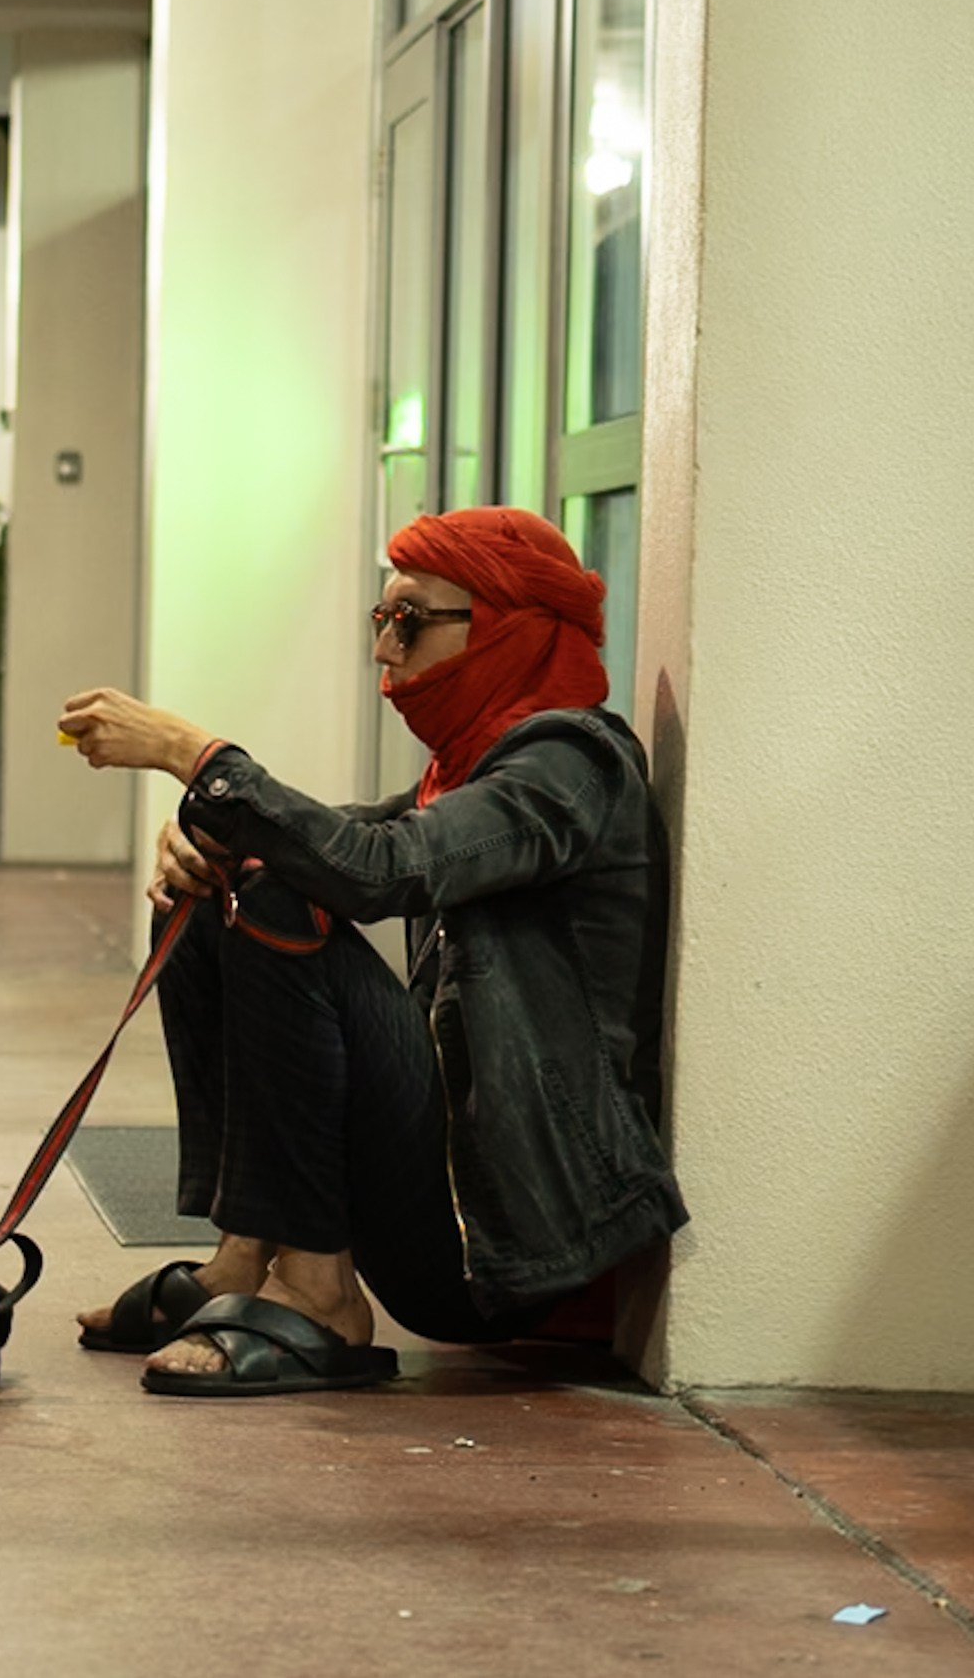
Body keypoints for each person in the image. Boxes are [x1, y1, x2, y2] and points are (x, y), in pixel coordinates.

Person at [59, 507, 687, 1395]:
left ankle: (319, 1295)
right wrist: (208, 838)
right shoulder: (474, 766)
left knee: (277, 884)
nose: (386, 653)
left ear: (507, 627)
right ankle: (244, 1256)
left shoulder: (569, 766)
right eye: (381, 619)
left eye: (411, 619)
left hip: (518, 1249)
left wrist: (189, 753)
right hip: (452, 1207)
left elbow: (374, 869)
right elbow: (336, 840)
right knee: (229, 877)